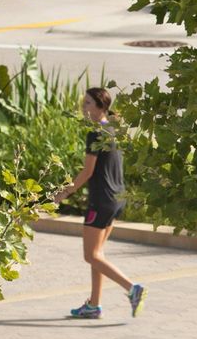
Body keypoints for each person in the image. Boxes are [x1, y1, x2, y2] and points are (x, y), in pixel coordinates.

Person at [60, 86, 146, 320]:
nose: (83, 107)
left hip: (101, 201)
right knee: (97, 254)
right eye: (84, 102)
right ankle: (94, 305)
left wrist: (63, 193)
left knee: (91, 255)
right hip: (116, 198)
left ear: (101, 107)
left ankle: (132, 289)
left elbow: (87, 172)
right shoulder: (113, 130)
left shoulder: (96, 133)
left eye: (88, 103)